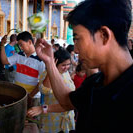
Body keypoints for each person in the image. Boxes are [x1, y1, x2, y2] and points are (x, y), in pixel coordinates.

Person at [35, 0, 133, 132]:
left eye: (77, 39)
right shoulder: (95, 83)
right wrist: (50, 62)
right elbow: (66, 101)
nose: (75, 50)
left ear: (104, 35)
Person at [27, 48, 75, 133]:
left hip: (67, 119)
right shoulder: (46, 74)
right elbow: (44, 90)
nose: (66, 68)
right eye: (63, 65)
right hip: (52, 119)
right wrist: (51, 68)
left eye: (68, 64)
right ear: (55, 63)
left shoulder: (66, 73)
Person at [0, 31, 45, 106]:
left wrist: (30, 96)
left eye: (21, 45)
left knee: (30, 117)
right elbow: (4, 61)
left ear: (30, 42)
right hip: (19, 94)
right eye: (19, 45)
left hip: (33, 97)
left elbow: (42, 82)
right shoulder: (19, 55)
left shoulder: (40, 60)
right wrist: (2, 45)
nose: (20, 47)